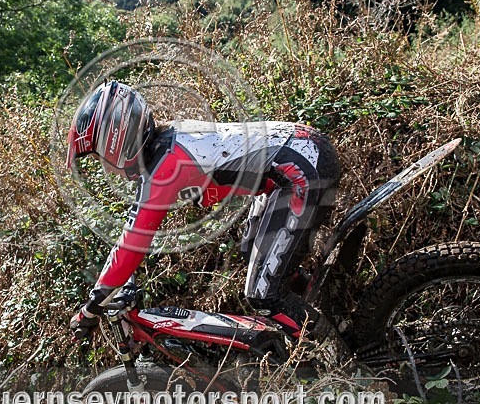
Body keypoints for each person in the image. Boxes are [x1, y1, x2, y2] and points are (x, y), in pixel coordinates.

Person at [66, 81, 340, 341]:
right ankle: (320, 306)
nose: (106, 168)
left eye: (100, 157)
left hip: (302, 170)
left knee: (263, 295)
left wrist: (90, 309)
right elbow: (131, 233)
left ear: (117, 144)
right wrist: (115, 283)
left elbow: (133, 244)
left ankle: (340, 362)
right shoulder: (163, 148)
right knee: (253, 256)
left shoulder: (167, 165)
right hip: (296, 161)